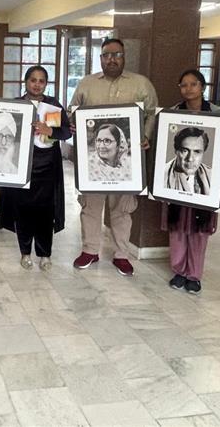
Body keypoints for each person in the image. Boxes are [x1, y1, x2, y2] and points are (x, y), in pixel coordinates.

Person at [69, 38, 158, 276]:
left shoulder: (141, 84)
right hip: (92, 163)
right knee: (90, 207)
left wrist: (145, 135)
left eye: (117, 55)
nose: (112, 59)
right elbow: (72, 111)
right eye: (107, 55)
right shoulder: (87, 84)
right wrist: (74, 123)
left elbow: (152, 113)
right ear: (101, 58)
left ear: (124, 57)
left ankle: (121, 255)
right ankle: (90, 250)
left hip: (127, 162)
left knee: (122, 208)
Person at [163, 69, 220, 295]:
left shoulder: (216, 114)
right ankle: (179, 271)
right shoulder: (173, 113)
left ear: (202, 87)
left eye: (193, 84)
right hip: (176, 186)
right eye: (183, 85)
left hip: (204, 189)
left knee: (199, 230)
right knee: (177, 228)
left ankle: (194, 275)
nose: (188, 89)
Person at [0, 66, 70, 271]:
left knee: (45, 213)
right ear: (26, 82)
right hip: (21, 166)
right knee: (23, 211)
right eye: (33, 80)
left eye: (41, 81)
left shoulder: (53, 105)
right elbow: (5, 132)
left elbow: (67, 132)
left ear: (46, 84)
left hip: (48, 167)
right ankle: (25, 253)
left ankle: (45, 254)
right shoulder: (16, 105)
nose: (37, 84)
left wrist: (50, 130)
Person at [164, 127, 212, 194]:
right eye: (185, 151)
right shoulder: (162, 176)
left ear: (203, 152)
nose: (190, 159)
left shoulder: (212, 176)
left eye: (197, 152)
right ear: (176, 151)